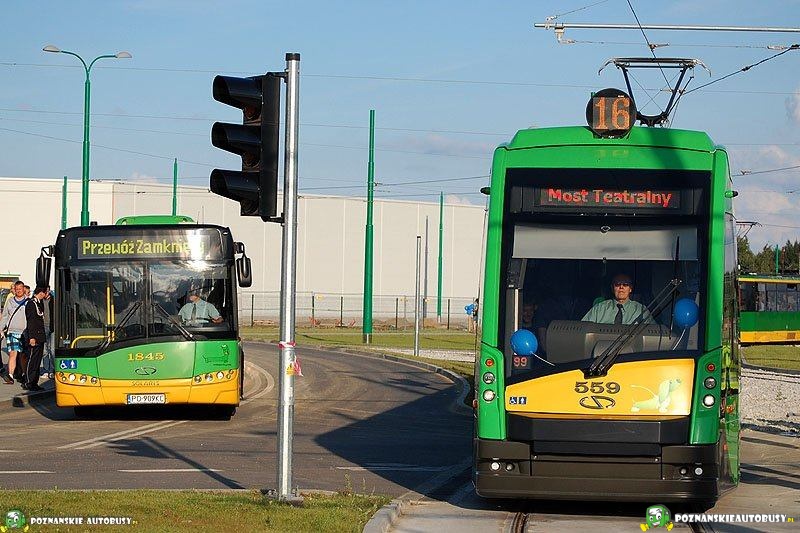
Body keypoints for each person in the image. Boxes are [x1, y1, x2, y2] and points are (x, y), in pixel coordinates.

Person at [582, 273, 652, 325]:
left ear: (630, 289)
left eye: (625, 284)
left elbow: (653, 333)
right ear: (612, 288)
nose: (621, 287)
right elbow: (583, 328)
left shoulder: (641, 310)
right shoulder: (599, 309)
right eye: (617, 284)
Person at [0, 281, 28, 384]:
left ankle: (24, 375)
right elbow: (5, 316)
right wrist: (1, 328)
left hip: (24, 332)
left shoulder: (28, 301)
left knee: (23, 356)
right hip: (12, 332)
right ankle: (10, 376)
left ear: (23, 289)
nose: (19, 291)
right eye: (17, 289)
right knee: (13, 354)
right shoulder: (10, 301)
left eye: (20, 289)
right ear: (14, 290)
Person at [22, 286, 48, 392]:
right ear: (40, 292)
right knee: (32, 360)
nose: (46, 295)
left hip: (40, 336)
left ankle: (34, 382)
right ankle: (29, 382)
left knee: (37, 361)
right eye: (45, 292)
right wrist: (32, 337)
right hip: (34, 336)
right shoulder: (31, 303)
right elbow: (31, 321)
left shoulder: (39, 303)